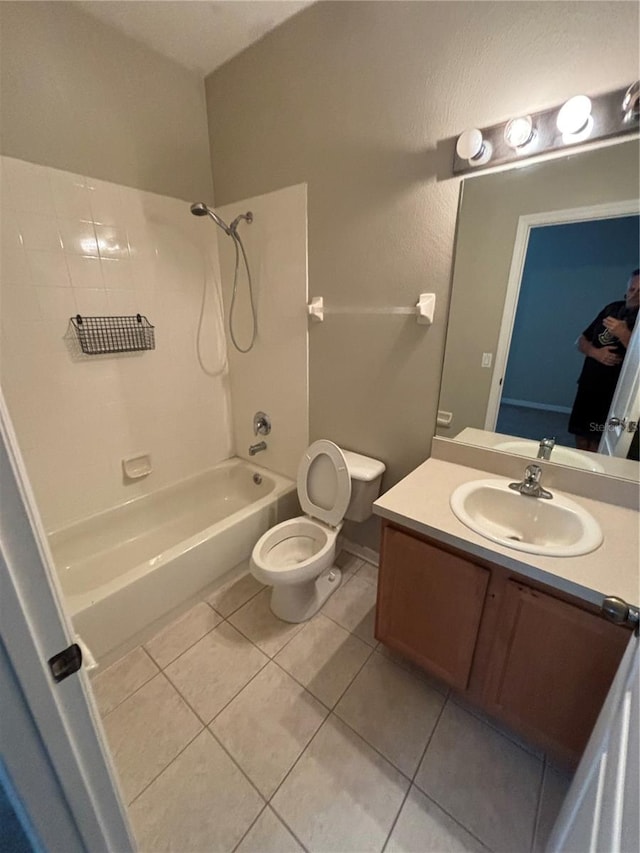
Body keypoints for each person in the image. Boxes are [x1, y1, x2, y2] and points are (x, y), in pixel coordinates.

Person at [568, 268, 639, 452]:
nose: (635, 295)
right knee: (581, 438)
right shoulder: (612, 309)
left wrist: (624, 334)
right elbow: (580, 341)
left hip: (614, 396)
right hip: (589, 385)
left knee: (601, 442)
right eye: (632, 289)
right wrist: (596, 353)